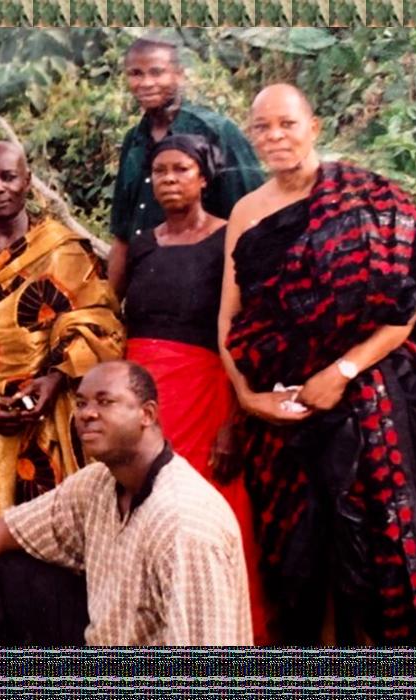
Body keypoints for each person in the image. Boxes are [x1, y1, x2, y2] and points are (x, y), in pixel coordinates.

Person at [217, 83, 416, 645]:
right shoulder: (247, 211)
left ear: (314, 127)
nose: (275, 136)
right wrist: (249, 398)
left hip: (374, 405)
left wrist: (343, 372)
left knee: (382, 558)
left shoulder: (366, 196)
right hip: (284, 413)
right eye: (262, 127)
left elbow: (413, 302)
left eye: (287, 124)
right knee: (301, 565)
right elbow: (229, 318)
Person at [0, 361, 252, 646]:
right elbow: (6, 531)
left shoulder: (185, 524)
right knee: (10, 577)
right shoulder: (99, 483)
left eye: (105, 402)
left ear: (147, 414)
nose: (87, 413)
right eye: (82, 402)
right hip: (103, 637)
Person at [0, 141, 124, 545]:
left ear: (27, 181)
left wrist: (54, 380)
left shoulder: (62, 248)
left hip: (54, 415)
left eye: (8, 177)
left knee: (58, 537)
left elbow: (101, 322)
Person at [121, 133, 271, 644]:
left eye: (181, 170)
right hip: (142, 402)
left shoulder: (229, 240)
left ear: (204, 178)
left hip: (205, 396)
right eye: (160, 171)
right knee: (141, 509)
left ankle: (220, 639)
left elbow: (244, 330)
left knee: (207, 513)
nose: (169, 180)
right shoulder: (142, 244)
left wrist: (235, 421)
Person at [106, 36, 264, 298]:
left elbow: (252, 224)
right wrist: (107, 308)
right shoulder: (134, 140)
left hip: (204, 294)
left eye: (157, 72)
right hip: (144, 293)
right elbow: (122, 237)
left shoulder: (216, 132)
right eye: (136, 74)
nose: (146, 83)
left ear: (179, 75)